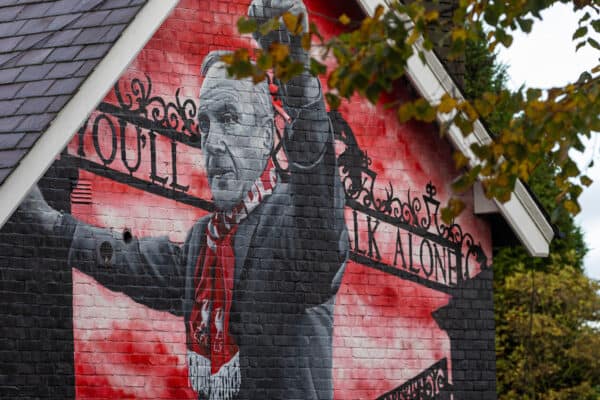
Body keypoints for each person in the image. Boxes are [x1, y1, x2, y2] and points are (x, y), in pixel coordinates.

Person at [16, 1, 348, 399]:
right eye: (204, 126)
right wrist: (52, 223)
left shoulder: (293, 221)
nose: (212, 143)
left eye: (228, 118)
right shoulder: (202, 244)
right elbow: (131, 260)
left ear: (266, 134)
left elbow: (317, 200)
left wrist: (298, 80)